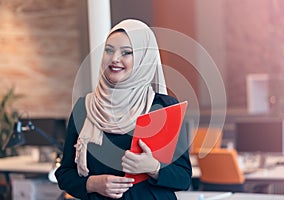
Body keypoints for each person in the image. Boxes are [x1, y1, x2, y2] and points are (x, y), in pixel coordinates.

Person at [55, 19, 192, 200]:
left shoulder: (164, 107)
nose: (114, 59)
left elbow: (183, 178)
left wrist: (153, 168)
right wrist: (92, 184)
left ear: (144, 58)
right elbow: (65, 173)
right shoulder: (85, 108)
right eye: (109, 50)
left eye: (127, 52)